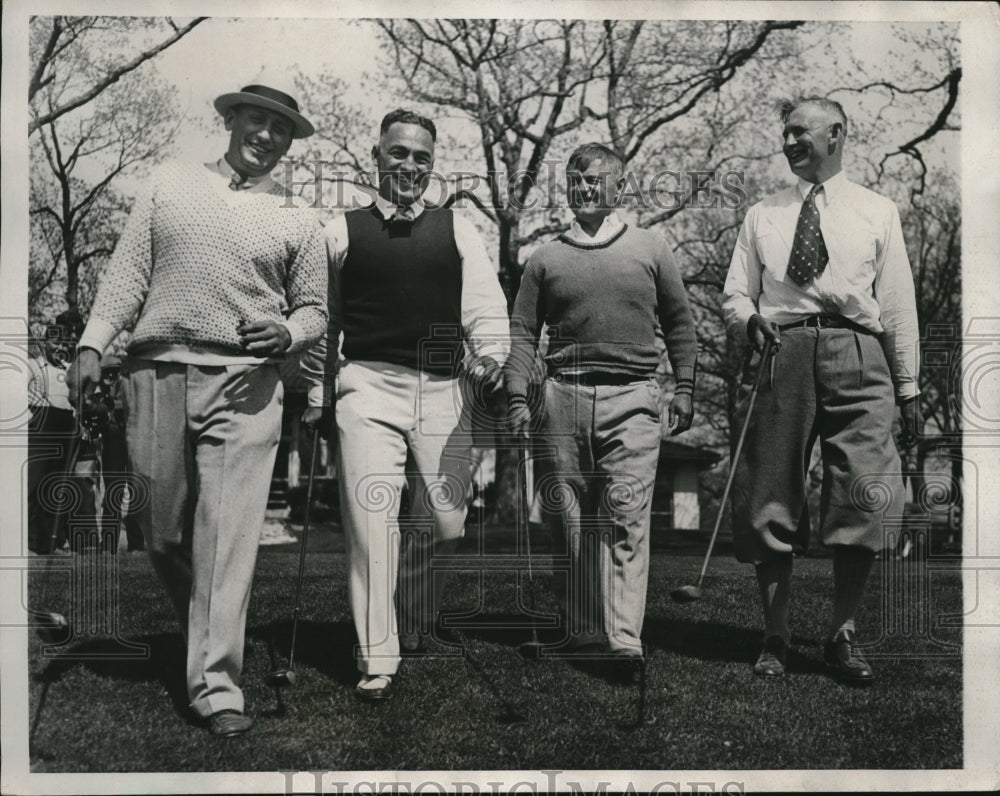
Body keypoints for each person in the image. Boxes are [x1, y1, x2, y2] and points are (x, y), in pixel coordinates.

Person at [67, 78, 328, 736]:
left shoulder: (299, 219)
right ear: (232, 118)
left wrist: (290, 334)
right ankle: (206, 630)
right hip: (157, 370)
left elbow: (314, 309)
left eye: (280, 130)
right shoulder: (168, 183)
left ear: (290, 142)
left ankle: (216, 685)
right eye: (256, 121)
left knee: (227, 538)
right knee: (159, 530)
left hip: (246, 383)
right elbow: (126, 273)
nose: (265, 137)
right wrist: (93, 345)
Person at [300, 108, 509, 701]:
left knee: (446, 521)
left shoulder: (457, 229)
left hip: (445, 388)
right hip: (367, 385)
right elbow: (325, 319)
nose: (409, 166)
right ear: (377, 156)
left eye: (421, 156)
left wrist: (490, 357)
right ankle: (377, 656)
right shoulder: (339, 231)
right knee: (372, 524)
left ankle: (414, 612)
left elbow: (486, 310)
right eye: (398, 153)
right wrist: (319, 390)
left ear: (432, 164)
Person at [722, 96, 920, 685]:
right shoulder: (763, 213)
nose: (787, 143)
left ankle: (842, 634)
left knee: (865, 489)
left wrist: (907, 389)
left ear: (835, 134)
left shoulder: (877, 210)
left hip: (859, 351)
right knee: (769, 492)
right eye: (784, 134)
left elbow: (897, 305)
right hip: (782, 350)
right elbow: (736, 293)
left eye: (798, 132)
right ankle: (775, 636)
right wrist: (747, 319)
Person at [504, 143, 697, 668]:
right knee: (567, 521)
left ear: (619, 188)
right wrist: (518, 393)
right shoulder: (544, 258)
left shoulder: (650, 249)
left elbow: (680, 324)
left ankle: (623, 638)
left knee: (626, 517)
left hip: (634, 396)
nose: (586, 188)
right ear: (566, 187)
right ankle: (583, 629)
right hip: (561, 396)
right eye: (576, 180)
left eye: (596, 180)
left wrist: (686, 386)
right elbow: (522, 331)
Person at [27, 310, 93, 554]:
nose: (58, 347)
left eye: (62, 343)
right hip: (39, 426)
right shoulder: (32, 365)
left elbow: (75, 402)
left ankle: (50, 541)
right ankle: (31, 541)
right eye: (54, 342)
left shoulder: (67, 370)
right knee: (34, 485)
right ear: (45, 342)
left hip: (64, 427)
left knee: (56, 487)